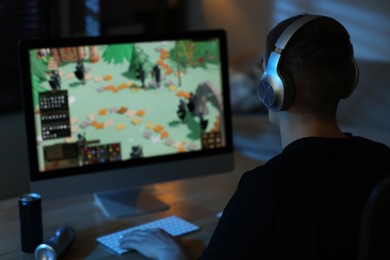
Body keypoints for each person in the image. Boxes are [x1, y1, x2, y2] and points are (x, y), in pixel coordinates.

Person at [118, 14, 390, 259]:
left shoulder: (267, 189)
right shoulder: (383, 160)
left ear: (272, 87)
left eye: (262, 67)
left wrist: (169, 251)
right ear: (349, 79)